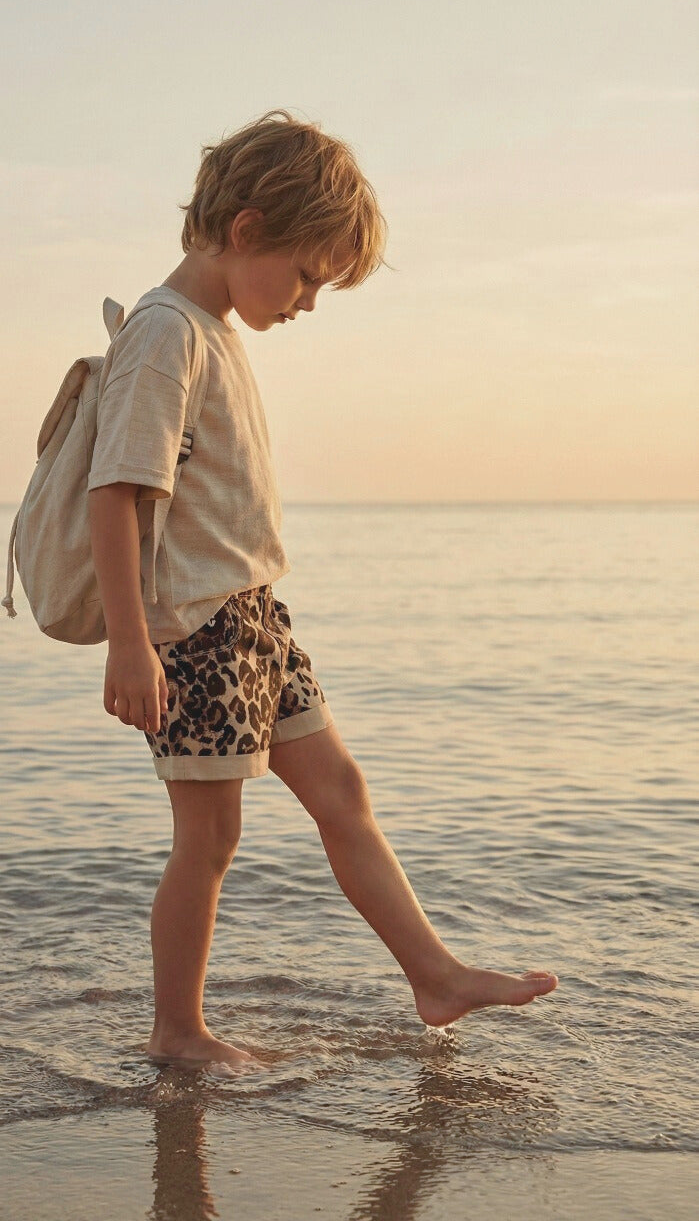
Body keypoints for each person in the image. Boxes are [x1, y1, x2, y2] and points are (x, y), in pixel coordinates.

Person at [87, 109, 558, 1069]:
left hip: (257, 620)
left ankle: (432, 974)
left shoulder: (214, 332)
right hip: (198, 634)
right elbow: (116, 493)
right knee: (208, 837)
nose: (308, 300)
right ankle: (177, 1031)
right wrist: (130, 643)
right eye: (307, 274)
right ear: (248, 228)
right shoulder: (164, 333)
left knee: (341, 790)